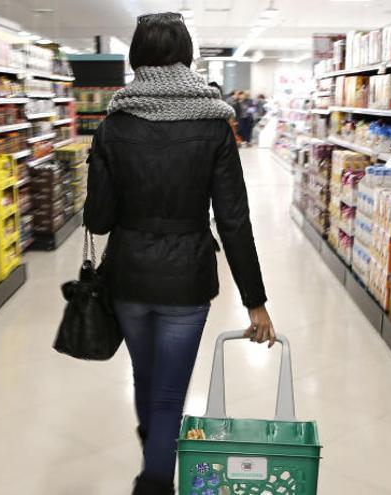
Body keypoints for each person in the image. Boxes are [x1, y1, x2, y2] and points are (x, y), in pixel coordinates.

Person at [83, 12, 274, 495]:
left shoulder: (112, 126)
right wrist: (255, 300)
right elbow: (233, 219)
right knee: (170, 392)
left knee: (144, 378)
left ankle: (154, 451)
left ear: (136, 58)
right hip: (188, 277)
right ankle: (155, 477)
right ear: (186, 55)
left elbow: (99, 219)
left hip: (127, 273)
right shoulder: (214, 126)